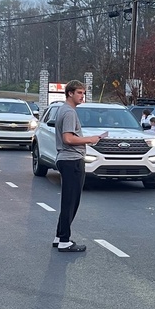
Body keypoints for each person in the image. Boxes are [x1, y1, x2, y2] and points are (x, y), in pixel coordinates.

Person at [52, 80, 106, 253]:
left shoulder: (64, 109)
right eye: (79, 93)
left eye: (83, 93)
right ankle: (65, 241)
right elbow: (68, 138)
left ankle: (59, 236)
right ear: (70, 93)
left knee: (69, 199)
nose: (82, 96)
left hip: (67, 159)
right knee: (71, 201)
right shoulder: (69, 112)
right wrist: (91, 139)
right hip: (71, 160)